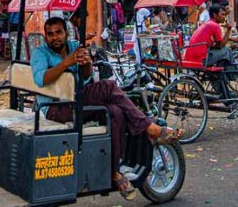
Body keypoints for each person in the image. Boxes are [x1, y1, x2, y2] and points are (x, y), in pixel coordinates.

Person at [31, 17, 182, 201]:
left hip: (78, 100)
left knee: (115, 112)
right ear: (46, 37)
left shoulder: (74, 46)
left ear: (66, 33)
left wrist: (86, 63)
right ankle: (149, 127)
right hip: (55, 107)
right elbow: (40, 79)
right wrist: (67, 62)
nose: (55, 37)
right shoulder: (40, 53)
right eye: (50, 34)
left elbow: (86, 78)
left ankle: (113, 172)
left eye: (58, 32)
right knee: (108, 87)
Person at [182, 4, 238, 115]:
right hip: (201, 59)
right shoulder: (214, 25)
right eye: (222, 14)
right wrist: (229, 29)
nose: (224, 17)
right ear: (215, 15)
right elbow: (220, 46)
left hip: (193, 57)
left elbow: (215, 45)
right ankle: (233, 74)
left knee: (218, 73)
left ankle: (226, 83)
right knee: (227, 51)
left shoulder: (207, 24)